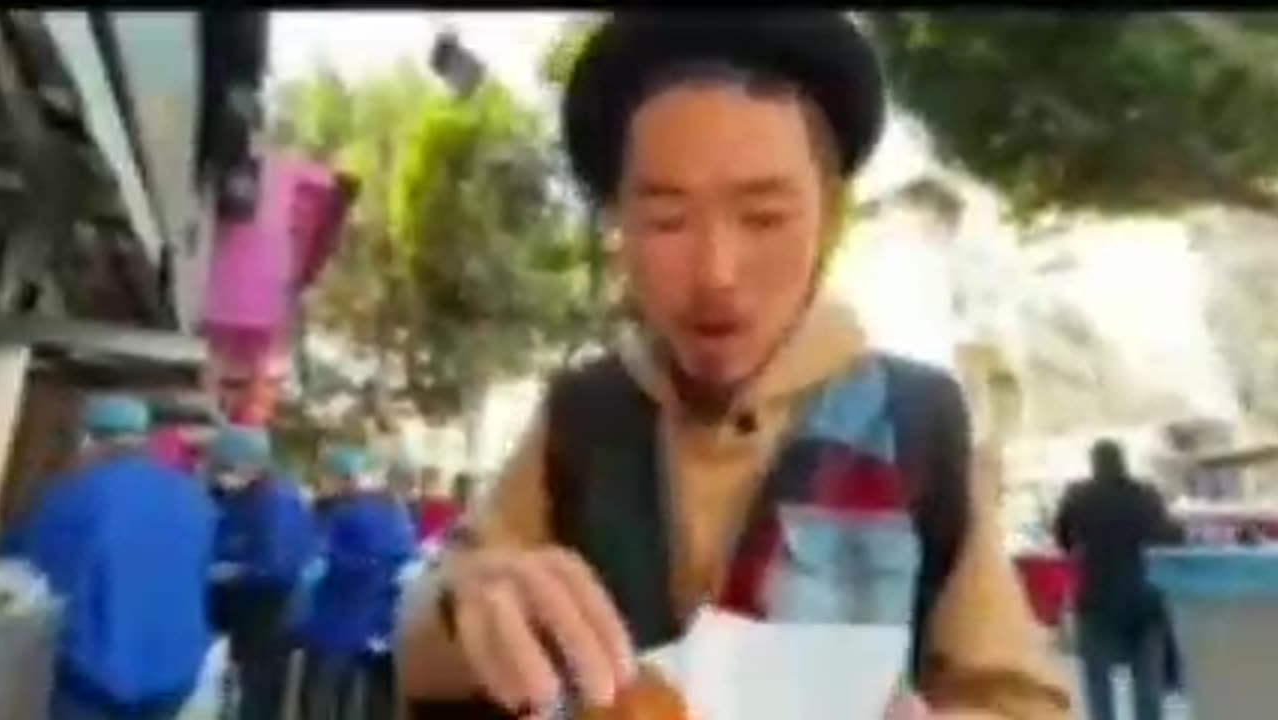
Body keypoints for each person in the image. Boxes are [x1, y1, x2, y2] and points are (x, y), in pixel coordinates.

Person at [397, 12, 1070, 720]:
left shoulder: (916, 420)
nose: (715, 273)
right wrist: (465, 608)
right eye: (666, 220)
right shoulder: (583, 415)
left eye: (763, 217)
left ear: (830, 219)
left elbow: (1020, 697)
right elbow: (424, 643)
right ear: (620, 226)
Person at [2, 394, 216, 720]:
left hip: (100, 672)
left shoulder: (77, 493)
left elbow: (36, 561)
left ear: (89, 439)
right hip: (175, 670)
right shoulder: (193, 498)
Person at [1054, 439, 1184, 720]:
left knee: (1099, 688)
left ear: (1094, 464)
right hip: (1143, 602)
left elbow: (1064, 541)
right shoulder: (1144, 495)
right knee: (1147, 690)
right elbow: (1172, 536)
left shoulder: (1078, 497)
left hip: (1096, 602)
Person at [207, 425, 315, 720]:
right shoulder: (232, 498)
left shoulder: (277, 502)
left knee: (258, 696)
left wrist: (232, 571)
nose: (220, 474)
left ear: (251, 465)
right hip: (236, 612)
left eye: (226, 466)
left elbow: (279, 566)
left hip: (270, 616)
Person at [302, 446, 417, 720]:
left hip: (334, 623)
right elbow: (402, 566)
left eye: (326, 477)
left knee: (320, 698)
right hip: (373, 628)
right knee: (355, 703)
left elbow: (321, 561)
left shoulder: (345, 514)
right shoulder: (398, 517)